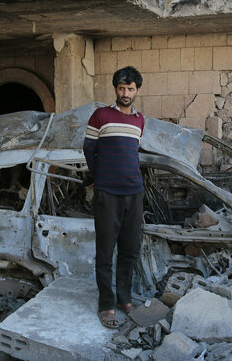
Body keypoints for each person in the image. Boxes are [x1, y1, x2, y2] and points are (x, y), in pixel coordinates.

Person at [83, 66, 145, 329]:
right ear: (115, 89)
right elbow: (89, 150)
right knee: (105, 251)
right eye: (121, 88)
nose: (126, 93)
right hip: (107, 194)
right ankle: (106, 304)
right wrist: (101, 179)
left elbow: (133, 154)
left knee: (129, 249)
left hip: (134, 192)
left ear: (137, 91)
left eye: (130, 89)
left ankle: (124, 298)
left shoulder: (140, 120)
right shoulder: (100, 116)